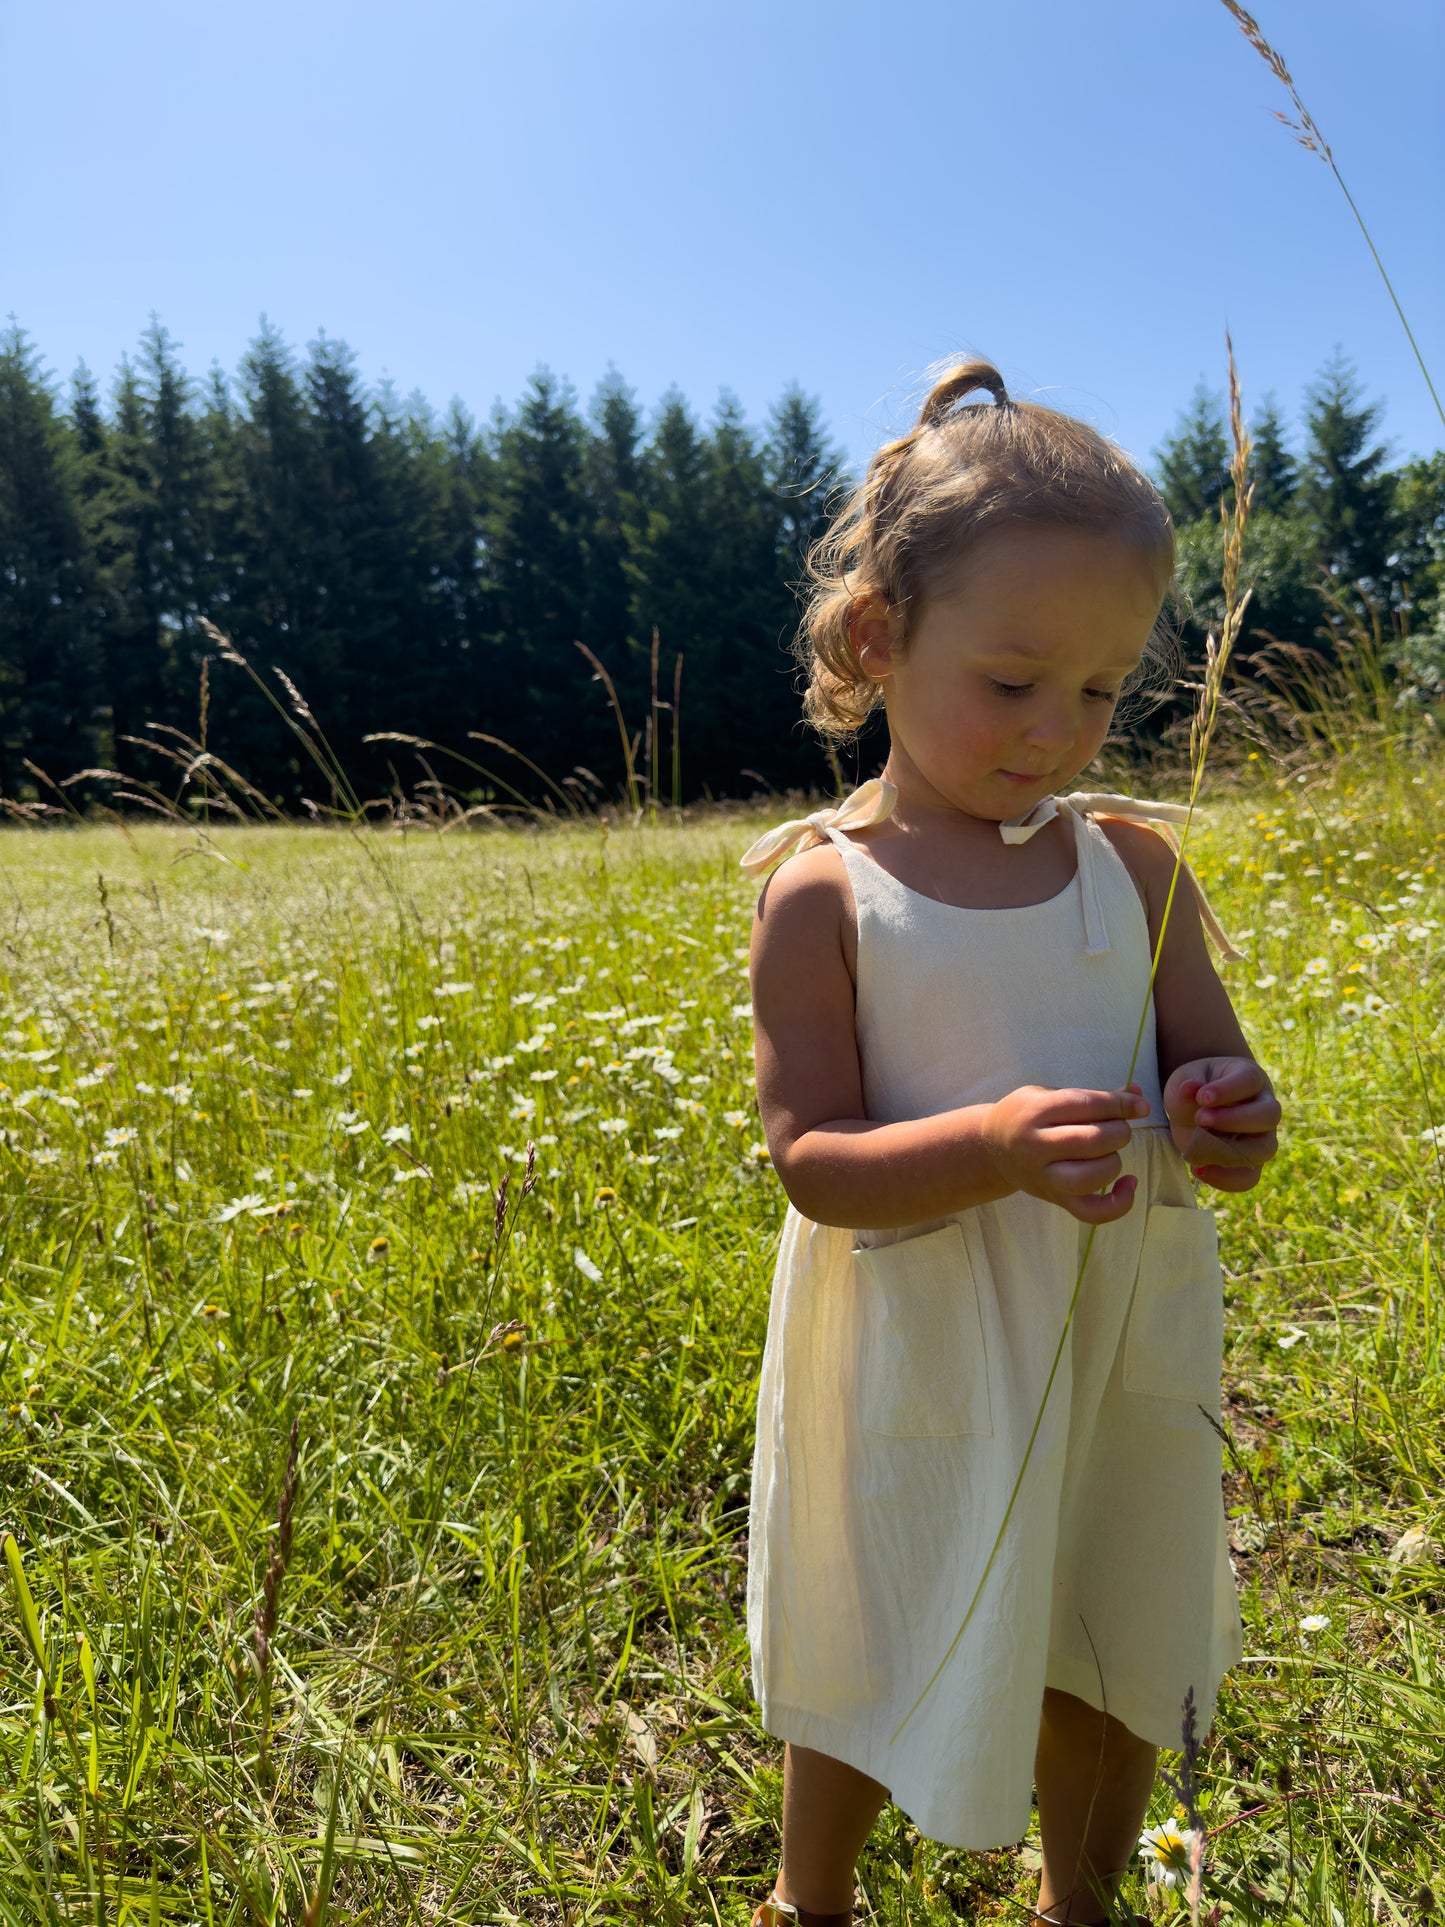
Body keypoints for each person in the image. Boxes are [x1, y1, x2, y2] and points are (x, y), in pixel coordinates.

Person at [739, 361, 1281, 1927]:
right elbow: (813, 1163)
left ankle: (1081, 1901)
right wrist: (984, 1142)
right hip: (913, 1352)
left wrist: (1227, 1117)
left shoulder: (1137, 869)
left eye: (1103, 692)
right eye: (1013, 682)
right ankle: (814, 1895)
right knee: (869, 1612)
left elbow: (1222, 1099)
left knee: (1108, 1616)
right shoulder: (829, 891)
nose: (1059, 734)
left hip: (1115, 1345)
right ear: (877, 641)